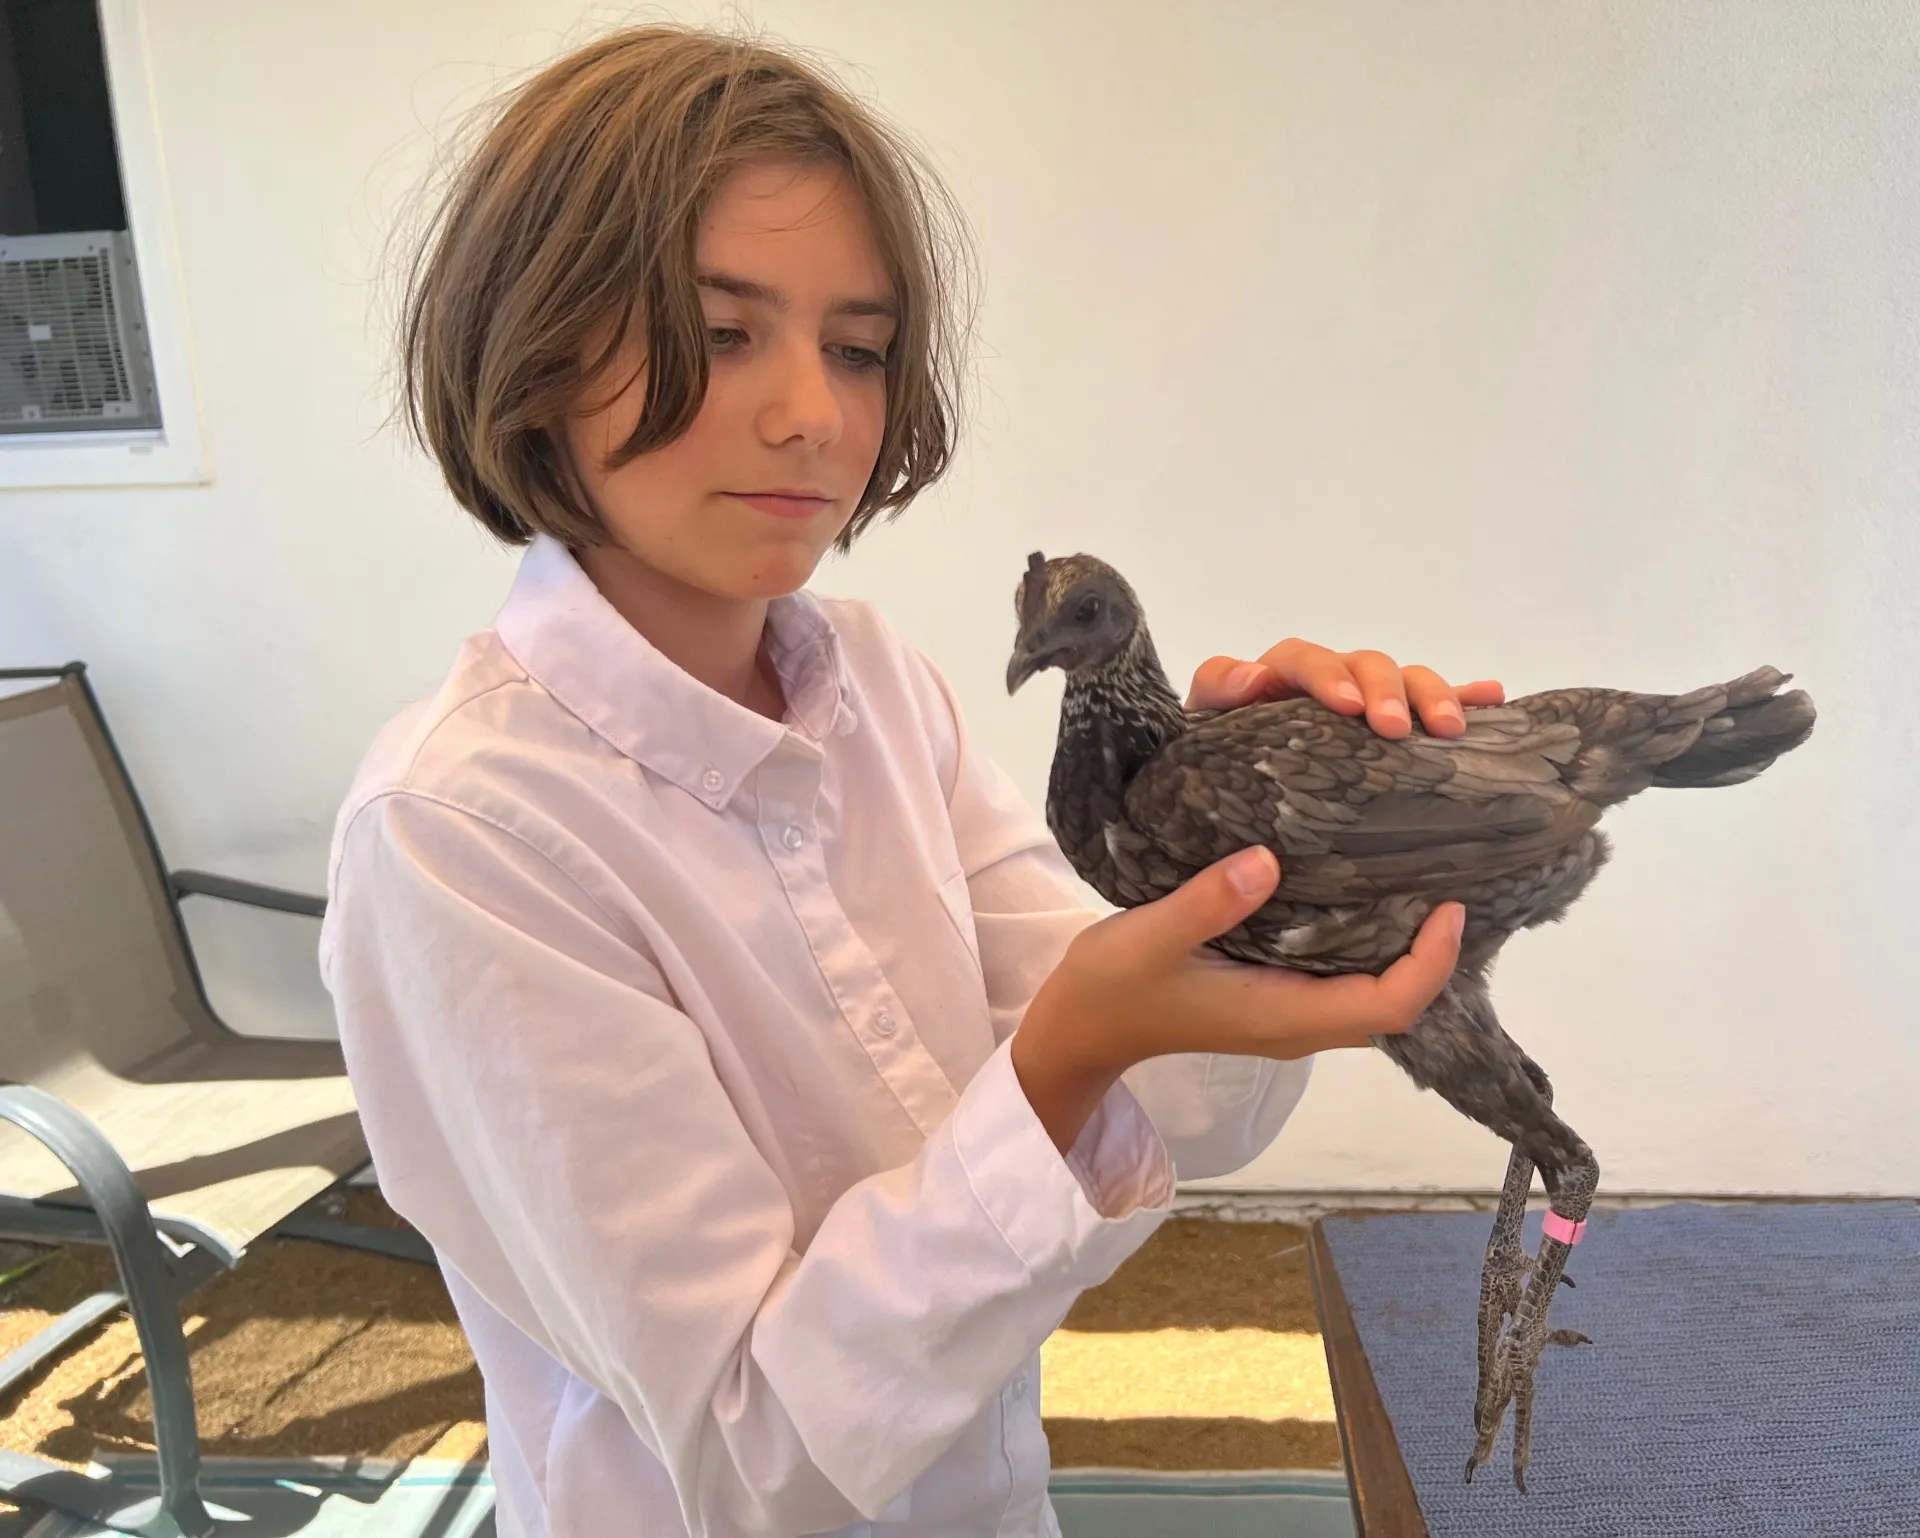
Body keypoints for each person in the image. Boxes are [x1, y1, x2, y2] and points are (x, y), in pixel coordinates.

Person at [319, 24, 1491, 1538]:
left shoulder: (874, 684)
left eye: (859, 346)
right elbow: (760, 1458)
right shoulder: (459, 837)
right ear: (535, 347)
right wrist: (1064, 1060)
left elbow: (1186, 1095)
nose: (814, 412)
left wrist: (1271, 845)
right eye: (723, 330)